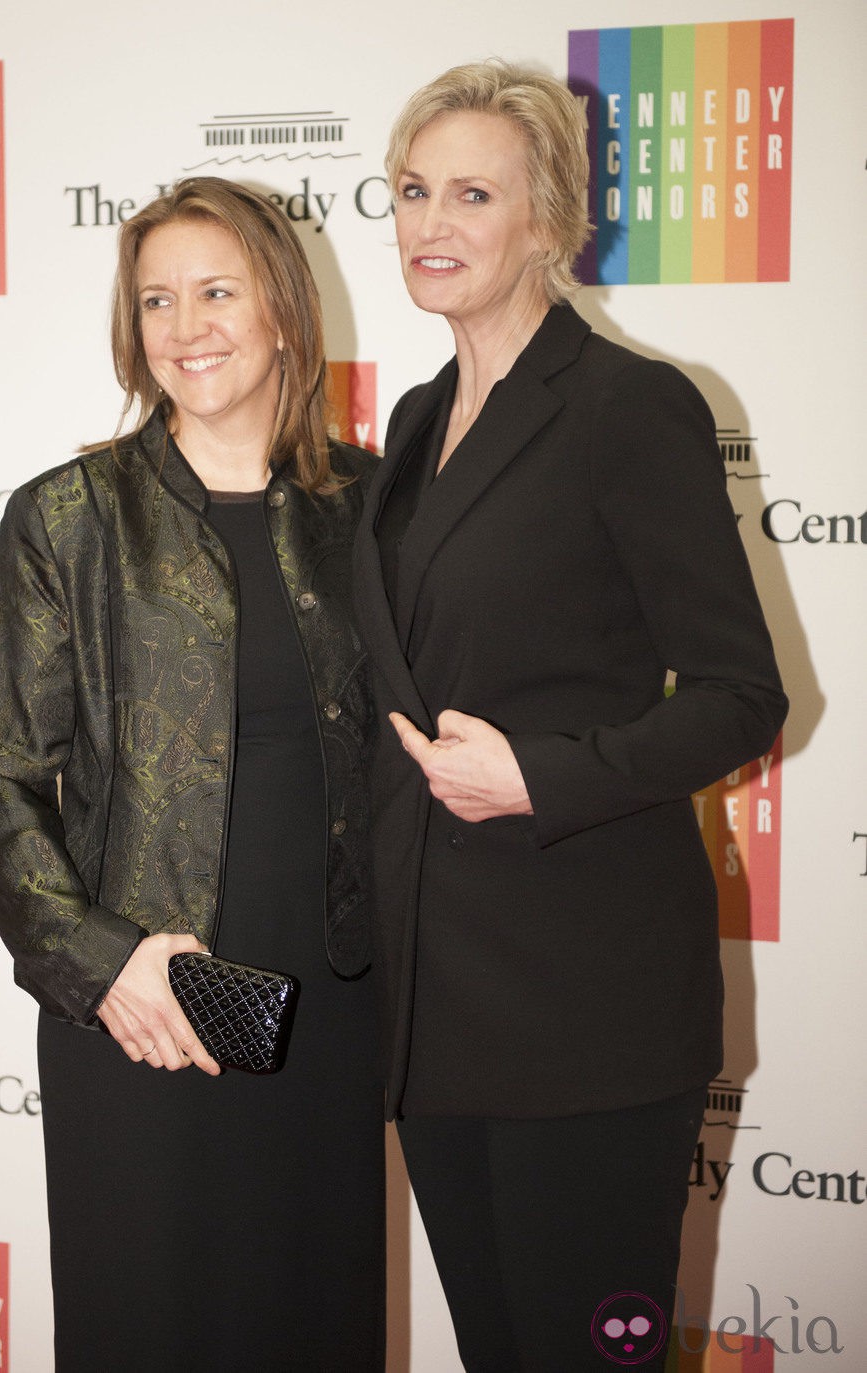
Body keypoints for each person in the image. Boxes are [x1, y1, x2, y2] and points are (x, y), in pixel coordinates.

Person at [352, 61, 788, 1372]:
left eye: (471, 193)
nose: (431, 222)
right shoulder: (420, 419)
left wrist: (545, 775)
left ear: (548, 217)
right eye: (413, 189)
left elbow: (739, 696)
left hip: (588, 1018)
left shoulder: (631, 407)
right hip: (441, 1016)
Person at [0, 177, 385, 1372]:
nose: (185, 324)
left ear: (283, 311)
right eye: (155, 299)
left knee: (315, 1317)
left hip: (332, 1002)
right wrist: (102, 963)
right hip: (145, 998)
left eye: (214, 290)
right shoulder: (71, 516)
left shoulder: (369, 508)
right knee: (148, 1322)